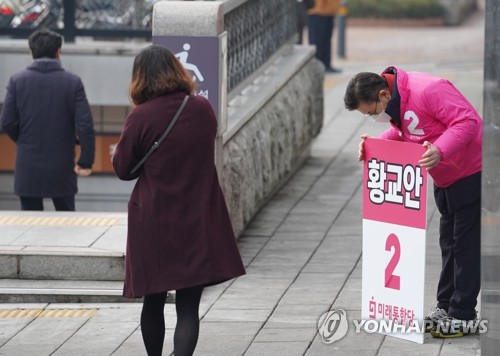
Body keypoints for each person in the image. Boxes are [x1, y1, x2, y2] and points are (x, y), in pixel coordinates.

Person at [112, 45, 246, 356]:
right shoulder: (201, 109)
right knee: (188, 306)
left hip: (153, 220)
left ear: (140, 78)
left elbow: (122, 169)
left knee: (153, 300)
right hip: (196, 217)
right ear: (177, 70)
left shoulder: (140, 117)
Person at [344, 67, 482, 338]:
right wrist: (374, 147)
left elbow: (467, 121)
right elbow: (406, 133)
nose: (374, 118)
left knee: (466, 246)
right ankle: (446, 307)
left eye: (372, 113)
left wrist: (440, 150)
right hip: (445, 177)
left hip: (470, 171)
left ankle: (463, 314)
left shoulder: (428, 90)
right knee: (450, 244)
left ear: (383, 94)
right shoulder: (397, 100)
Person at [0, 28, 95, 211]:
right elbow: (85, 124)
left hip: (28, 165)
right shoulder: (72, 82)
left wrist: (25, 139)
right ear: (58, 51)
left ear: (31, 52)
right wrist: (85, 160)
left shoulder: (16, 81)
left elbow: (7, 122)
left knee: (29, 225)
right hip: (62, 166)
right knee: (68, 221)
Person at [307, 0, 342, 73]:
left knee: (326, 41)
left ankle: (326, 64)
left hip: (329, 11)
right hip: (317, 11)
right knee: (318, 41)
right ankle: (318, 66)